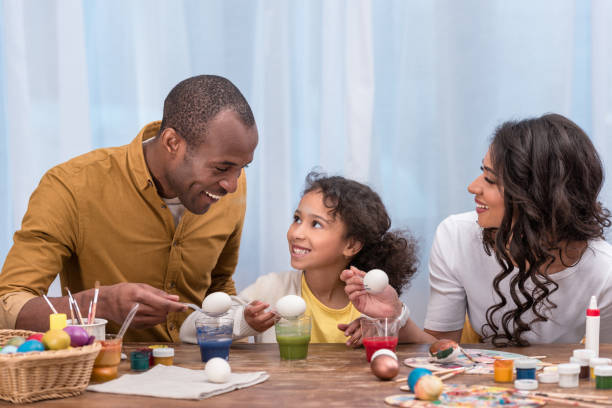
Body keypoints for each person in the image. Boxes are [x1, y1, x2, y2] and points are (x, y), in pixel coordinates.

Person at [0, 75, 258, 342]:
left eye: (242, 168)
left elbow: (218, 287)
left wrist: (242, 320)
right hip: (108, 375)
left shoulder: (226, 186)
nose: (232, 185)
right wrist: (100, 304)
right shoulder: (72, 187)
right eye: (221, 168)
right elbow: (8, 305)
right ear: (172, 143)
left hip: (203, 375)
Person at [343, 113, 612, 346]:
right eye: (482, 172)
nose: (473, 187)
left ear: (537, 197)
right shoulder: (456, 237)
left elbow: (604, 364)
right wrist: (396, 316)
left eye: (491, 179)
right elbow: (442, 348)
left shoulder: (604, 273)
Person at [180, 173, 432, 344]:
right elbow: (188, 331)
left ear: (351, 244)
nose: (296, 232)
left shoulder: (371, 301)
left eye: (316, 224)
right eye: (297, 218)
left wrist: (391, 320)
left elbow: (428, 349)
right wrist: (244, 323)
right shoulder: (272, 290)